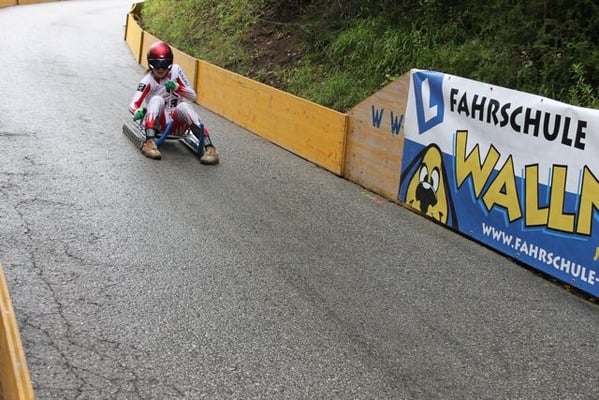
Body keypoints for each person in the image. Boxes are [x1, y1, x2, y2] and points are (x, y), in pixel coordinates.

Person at [128, 41, 219, 164]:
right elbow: (133, 104)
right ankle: (149, 142)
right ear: (150, 64)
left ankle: (210, 147)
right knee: (157, 99)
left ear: (170, 63)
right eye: (156, 64)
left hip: (177, 125)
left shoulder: (176, 71)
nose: (160, 68)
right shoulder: (147, 81)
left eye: (164, 64)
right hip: (158, 125)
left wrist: (178, 88)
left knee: (184, 106)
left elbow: (193, 96)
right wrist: (137, 111)